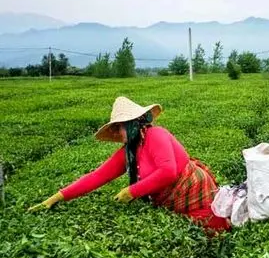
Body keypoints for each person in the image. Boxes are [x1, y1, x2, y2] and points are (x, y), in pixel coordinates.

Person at [28, 96, 230, 234]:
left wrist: (131, 191)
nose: (117, 133)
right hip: (175, 207)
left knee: (211, 244)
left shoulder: (156, 135)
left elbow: (168, 172)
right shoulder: (130, 151)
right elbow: (97, 176)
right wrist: (57, 197)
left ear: (134, 123)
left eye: (119, 128)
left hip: (200, 204)